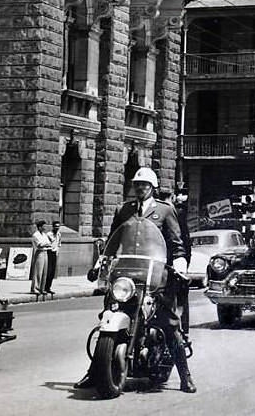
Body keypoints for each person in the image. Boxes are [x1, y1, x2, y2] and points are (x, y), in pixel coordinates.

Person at [76, 167, 196, 393]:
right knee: (108, 315)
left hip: (155, 275)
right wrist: (98, 265)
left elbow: (177, 244)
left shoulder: (165, 211)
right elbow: (113, 240)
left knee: (169, 324)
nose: (140, 188)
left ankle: (185, 376)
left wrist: (179, 267)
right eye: (137, 184)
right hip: (126, 274)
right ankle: (95, 372)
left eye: (145, 185)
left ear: (153, 188)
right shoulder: (124, 209)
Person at [172, 185, 192, 336]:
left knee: (180, 297)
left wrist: (182, 262)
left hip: (172, 262)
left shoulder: (178, 214)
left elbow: (184, 240)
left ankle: (182, 334)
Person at [30, 220, 50, 296]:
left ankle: (42, 288)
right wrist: (45, 244)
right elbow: (39, 245)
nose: (45, 228)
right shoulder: (36, 235)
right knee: (38, 271)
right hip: (39, 253)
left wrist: (45, 244)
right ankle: (35, 288)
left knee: (44, 272)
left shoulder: (44, 235)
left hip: (45, 252)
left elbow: (49, 243)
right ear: (39, 227)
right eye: (44, 226)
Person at [45, 221, 61, 294]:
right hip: (49, 252)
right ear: (53, 227)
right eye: (55, 226)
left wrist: (57, 252)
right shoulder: (48, 234)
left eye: (58, 226)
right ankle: (44, 287)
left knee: (52, 272)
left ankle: (48, 287)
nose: (57, 228)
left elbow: (58, 244)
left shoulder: (59, 234)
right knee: (48, 271)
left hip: (54, 253)